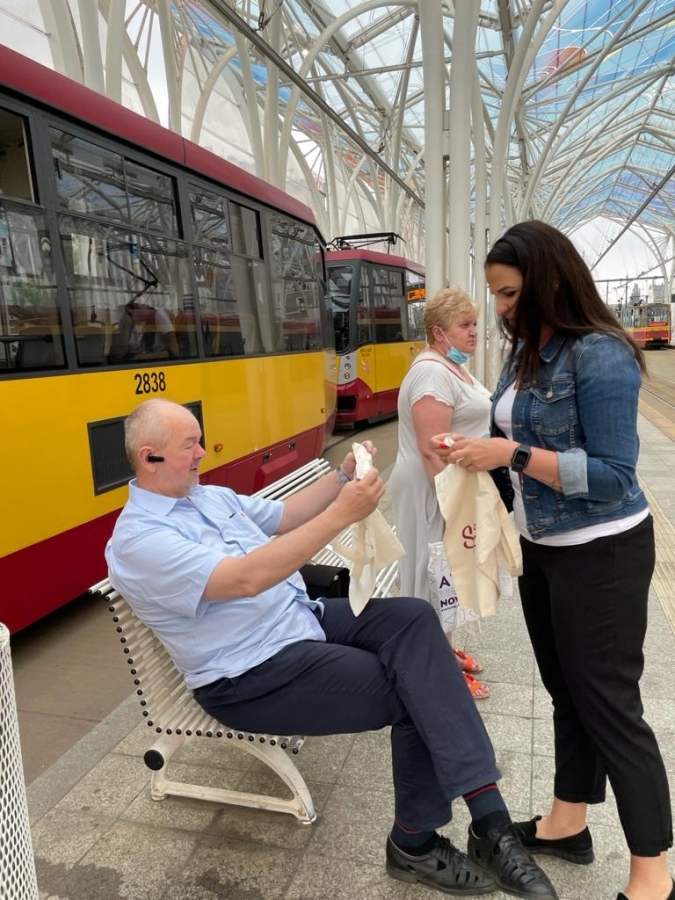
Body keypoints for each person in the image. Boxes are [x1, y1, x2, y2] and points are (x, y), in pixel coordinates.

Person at [106, 397, 558, 900]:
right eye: (190, 445)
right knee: (416, 690)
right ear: (149, 457)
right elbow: (246, 578)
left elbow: (284, 516)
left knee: (413, 618)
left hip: (297, 621)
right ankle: (421, 841)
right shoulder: (139, 541)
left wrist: (341, 477)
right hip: (250, 675)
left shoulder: (206, 497)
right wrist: (343, 513)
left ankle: (489, 824)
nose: (202, 453)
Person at [435, 220, 674, 900]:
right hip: (542, 550)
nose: (501, 308)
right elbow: (510, 435)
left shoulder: (600, 354)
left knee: (611, 706)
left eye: (510, 293)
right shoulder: (525, 351)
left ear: (549, 281)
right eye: (496, 295)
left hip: (602, 552)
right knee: (565, 691)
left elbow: (613, 476)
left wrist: (509, 455)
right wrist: (474, 457)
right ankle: (568, 822)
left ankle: (652, 875)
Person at [390, 288, 492, 699]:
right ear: (438, 332)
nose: (474, 332)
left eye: (475, 323)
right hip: (432, 489)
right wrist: (454, 508)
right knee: (434, 573)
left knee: (444, 572)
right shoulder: (432, 373)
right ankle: (435, 667)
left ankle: (442, 650)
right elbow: (433, 449)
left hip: (447, 486)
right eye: (464, 325)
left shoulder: (451, 366)